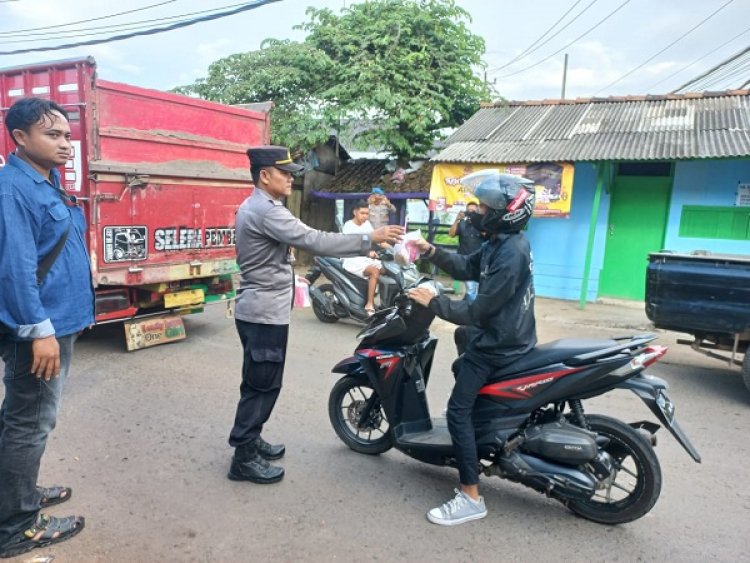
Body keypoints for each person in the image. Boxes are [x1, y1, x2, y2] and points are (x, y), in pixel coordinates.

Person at [229, 145, 403, 485]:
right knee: (261, 385)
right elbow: (314, 239)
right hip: (263, 313)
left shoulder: (261, 206)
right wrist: (369, 238)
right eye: (286, 173)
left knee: (263, 382)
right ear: (265, 175)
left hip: (263, 310)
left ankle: (251, 438)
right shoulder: (265, 210)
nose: (291, 179)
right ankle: (243, 455)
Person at [408, 171, 537, 526]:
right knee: (463, 345)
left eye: (483, 206)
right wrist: (431, 250)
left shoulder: (509, 252)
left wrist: (435, 302)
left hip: (498, 344)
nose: (477, 211)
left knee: (456, 412)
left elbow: (478, 311)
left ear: (503, 212)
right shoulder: (503, 241)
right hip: (511, 334)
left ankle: (470, 496)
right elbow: (468, 265)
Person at [0, 98, 93, 558]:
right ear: (20, 138)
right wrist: (39, 330)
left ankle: (17, 496)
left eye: (67, 136)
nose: (65, 145)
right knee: (30, 422)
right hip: (39, 330)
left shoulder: (47, 183)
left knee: (24, 419)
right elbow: (15, 270)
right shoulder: (12, 189)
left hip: (60, 321)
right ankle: (16, 527)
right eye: (52, 136)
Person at [342, 200, 384, 315]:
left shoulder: (367, 224)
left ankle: (383, 302)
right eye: (362, 213)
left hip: (365, 258)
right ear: (355, 212)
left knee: (387, 269)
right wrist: (367, 252)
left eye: (367, 213)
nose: (365, 216)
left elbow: (376, 239)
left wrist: (394, 247)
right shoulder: (348, 226)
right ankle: (369, 304)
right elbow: (351, 245)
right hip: (352, 259)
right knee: (374, 271)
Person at [448, 201, 483, 303]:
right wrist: (457, 219)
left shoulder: (482, 224)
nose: (471, 213)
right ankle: (467, 302)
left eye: (473, 211)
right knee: (465, 283)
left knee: (473, 287)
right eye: (469, 210)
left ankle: (470, 305)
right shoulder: (462, 223)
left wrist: (478, 221)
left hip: (476, 260)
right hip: (463, 258)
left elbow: (487, 235)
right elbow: (451, 234)